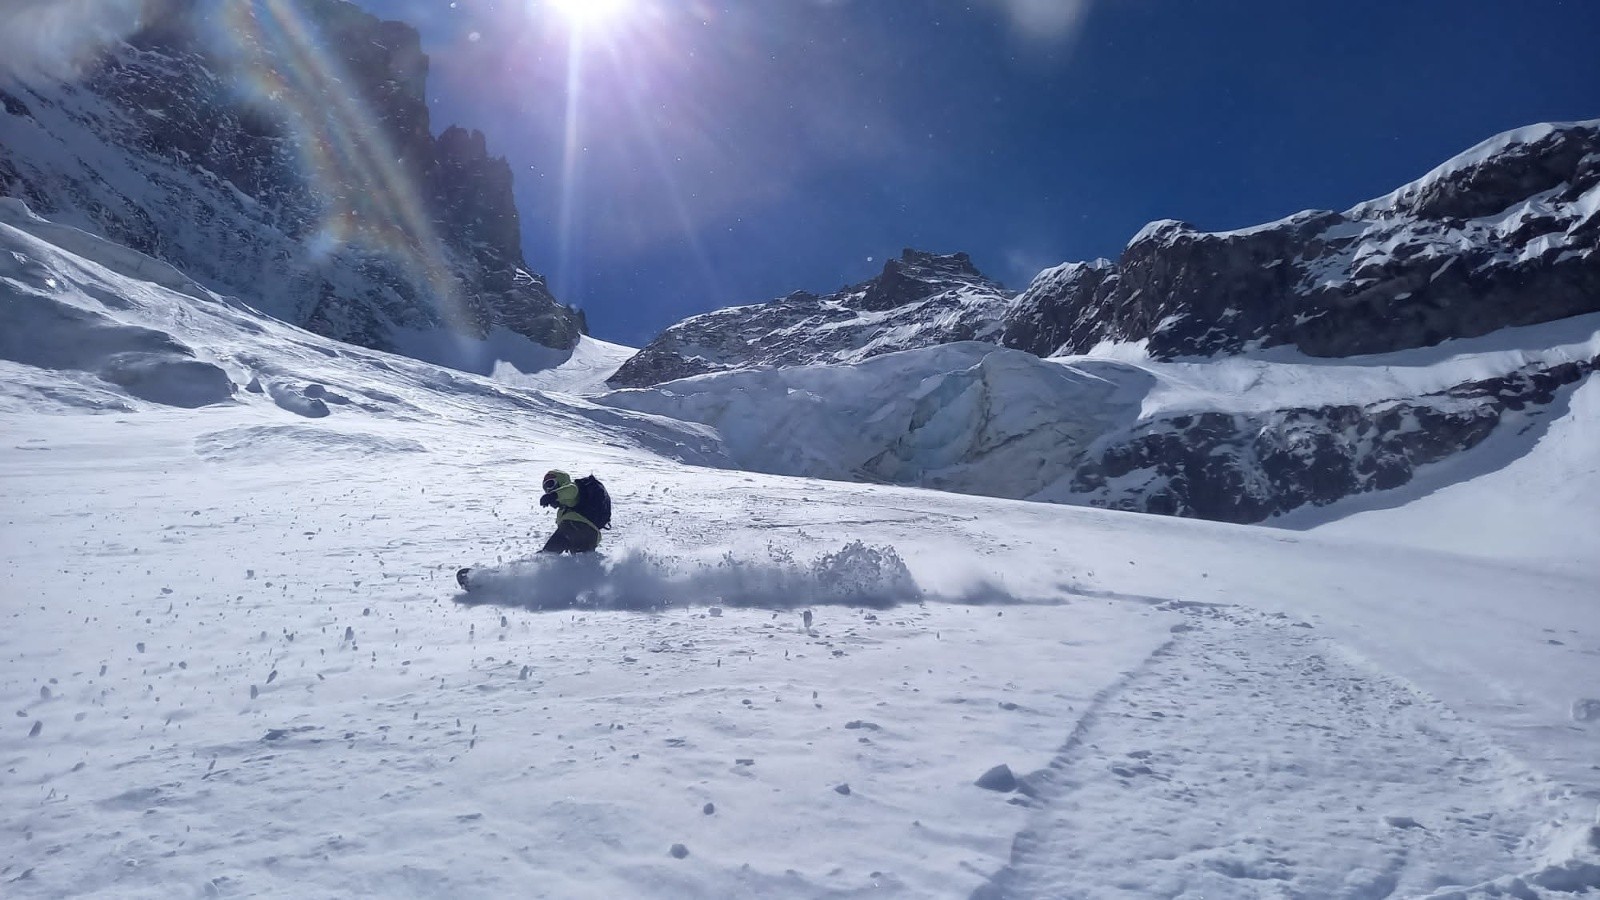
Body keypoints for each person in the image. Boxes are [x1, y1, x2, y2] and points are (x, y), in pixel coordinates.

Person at [539, 469, 601, 554]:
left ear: (560, 481)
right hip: (589, 535)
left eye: (550, 484)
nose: (549, 489)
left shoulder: (572, 488)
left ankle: (544, 558)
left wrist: (553, 495)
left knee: (549, 553)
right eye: (545, 488)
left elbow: (571, 490)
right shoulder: (563, 510)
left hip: (579, 528)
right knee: (580, 561)